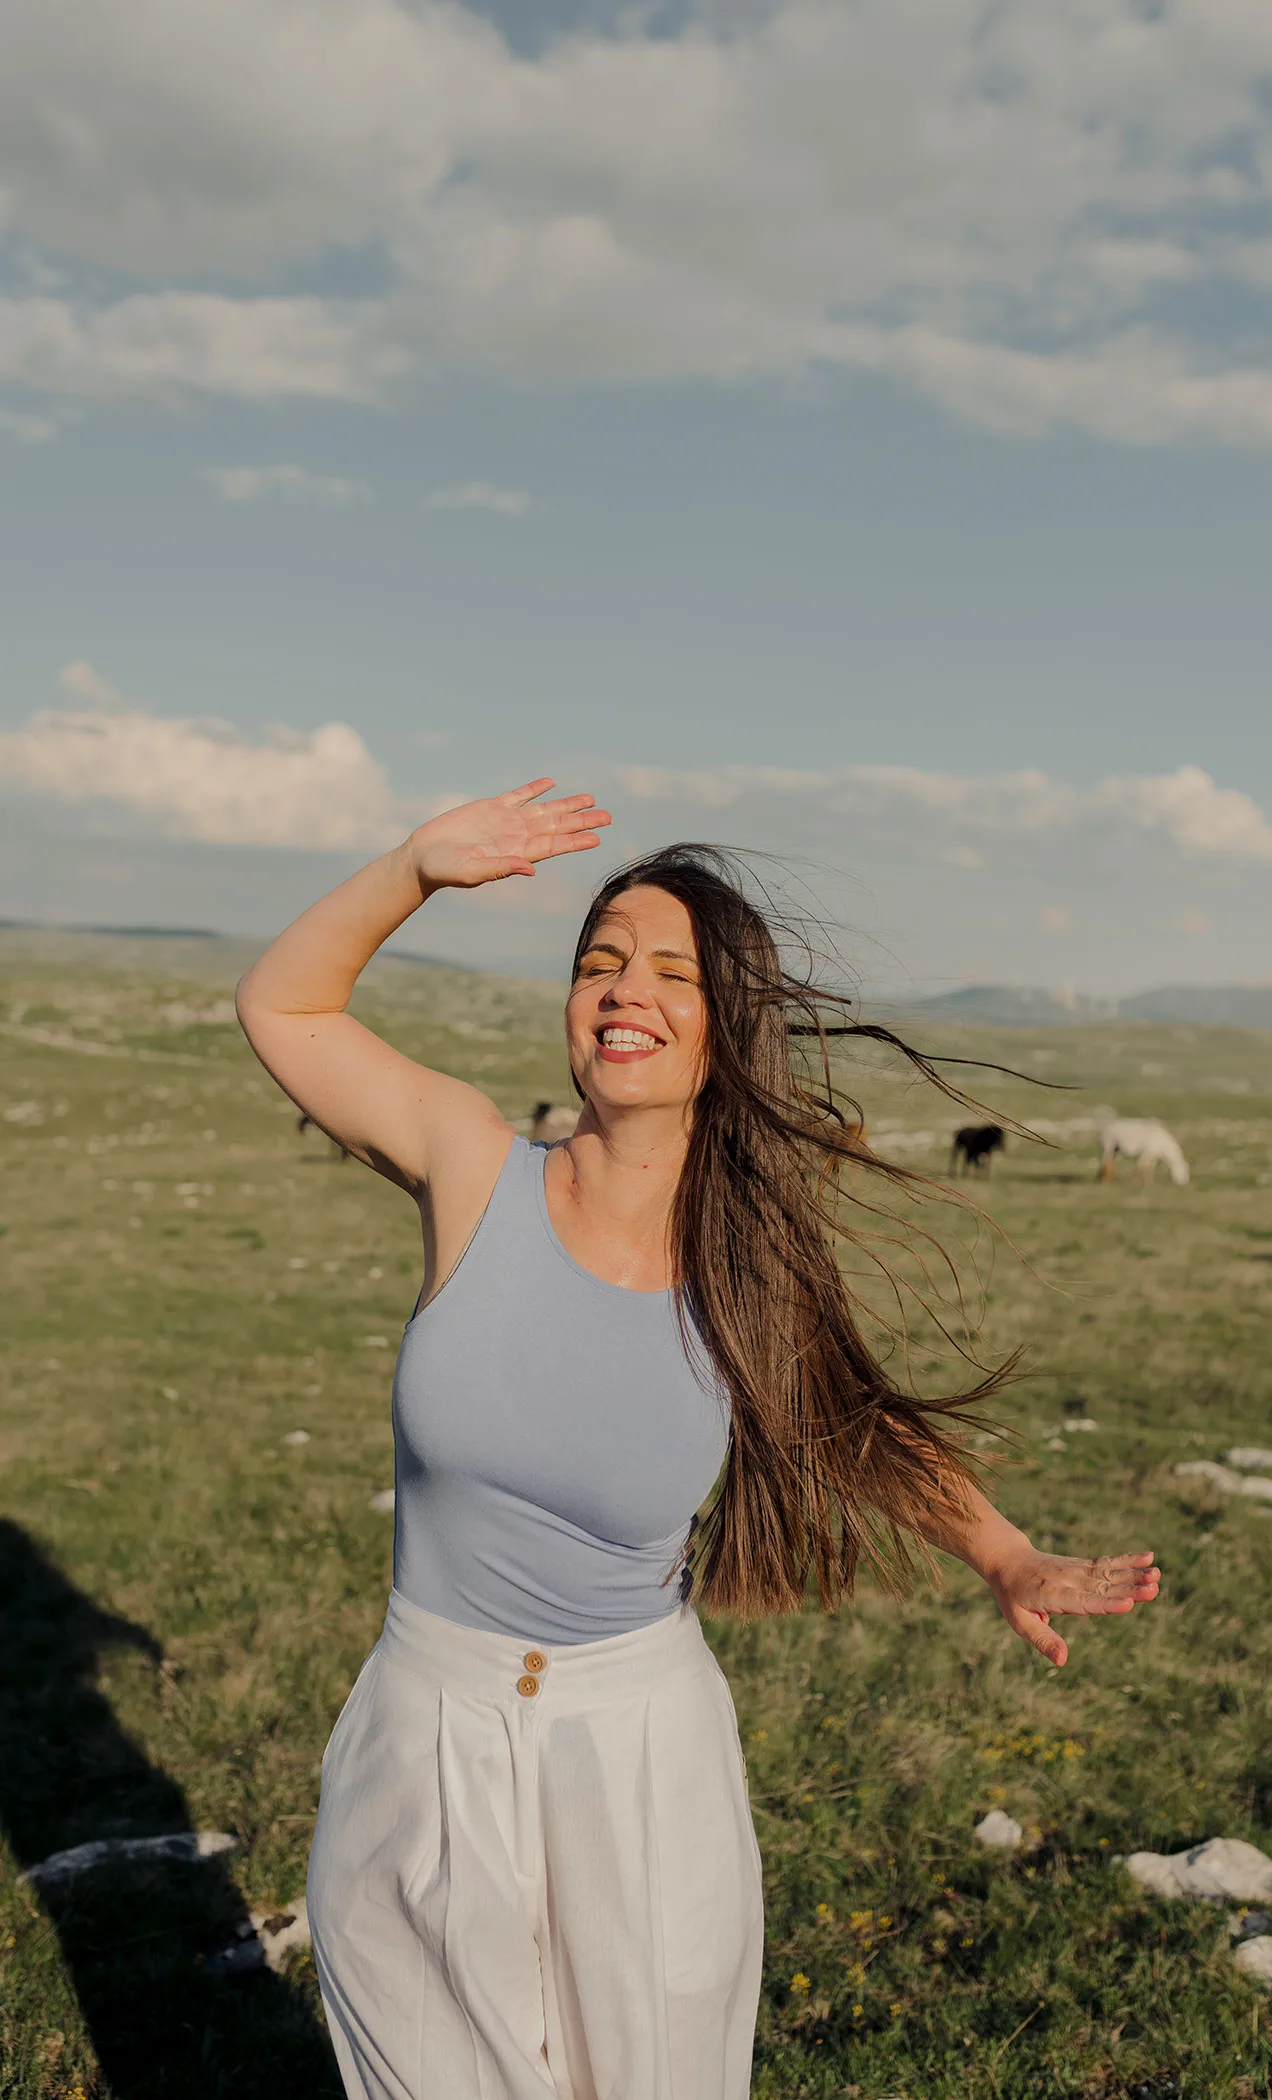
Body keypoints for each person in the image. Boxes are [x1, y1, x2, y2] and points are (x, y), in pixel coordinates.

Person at [235, 780, 1161, 2100]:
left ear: (728, 1026)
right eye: (599, 965)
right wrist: (414, 868)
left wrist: (1005, 1554)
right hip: (426, 1737)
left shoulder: (747, 1267)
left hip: (638, 1760)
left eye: (671, 973)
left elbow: (854, 1431)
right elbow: (285, 1005)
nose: (625, 992)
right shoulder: (466, 1161)